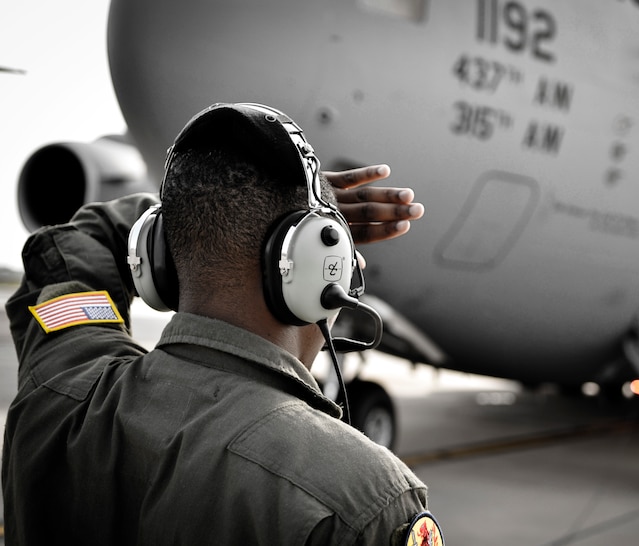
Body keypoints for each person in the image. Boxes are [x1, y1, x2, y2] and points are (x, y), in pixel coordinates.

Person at [3, 103, 444, 545]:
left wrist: (185, 218)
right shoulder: (362, 503)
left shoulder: (59, 387)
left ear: (158, 260)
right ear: (324, 264)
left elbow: (76, 244)